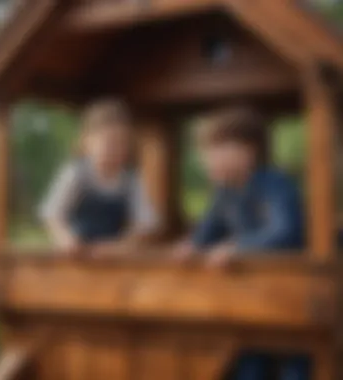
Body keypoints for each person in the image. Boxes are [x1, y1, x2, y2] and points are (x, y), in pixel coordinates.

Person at [174, 107, 309, 380]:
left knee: (296, 363)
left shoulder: (275, 184)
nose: (207, 159)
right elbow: (207, 232)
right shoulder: (224, 192)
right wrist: (191, 247)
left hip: (291, 295)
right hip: (250, 300)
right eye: (205, 152)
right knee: (247, 360)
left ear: (249, 151)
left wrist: (238, 248)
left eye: (216, 149)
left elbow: (286, 232)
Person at [39, 99, 160, 256]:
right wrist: (65, 239)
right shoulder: (77, 173)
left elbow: (144, 222)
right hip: (77, 254)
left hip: (112, 255)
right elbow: (52, 214)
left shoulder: (129, 180)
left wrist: (124, 245)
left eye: (120, 143)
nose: (114, 150)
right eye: (108, 143)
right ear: (87, 141)